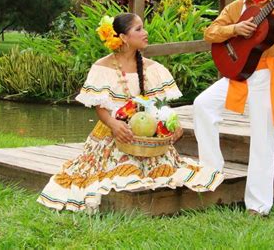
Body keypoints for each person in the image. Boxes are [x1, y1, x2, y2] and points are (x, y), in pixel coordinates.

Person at [38, 13, 224, 212]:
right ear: (124, 38)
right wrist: (114, 124)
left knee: (166, 170)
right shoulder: (103, 67)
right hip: (114, 132)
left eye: (143, 28)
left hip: (146, 135)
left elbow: (158, 105)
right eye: (139, 29)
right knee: (121, 172)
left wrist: (172, 122)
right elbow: (100, 108)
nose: (145, 33)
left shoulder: (152, 69)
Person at [193, 0, 274, 216]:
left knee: (263, 138)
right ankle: (212, 171)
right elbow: (210, 32)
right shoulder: (237, 7)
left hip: (266, 74)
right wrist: (234, 29)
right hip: (239, 74)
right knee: (202, 105)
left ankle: (258, 205)